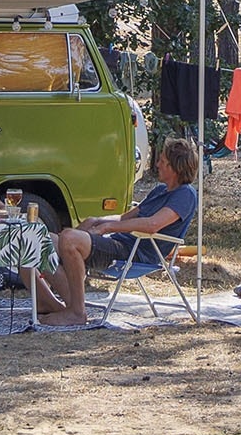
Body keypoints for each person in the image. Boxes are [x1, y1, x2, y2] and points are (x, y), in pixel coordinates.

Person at [40, 137, 200, 322]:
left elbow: (152, 225)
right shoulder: (159, 191)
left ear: (175, 168)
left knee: (69, 238)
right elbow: (125, 218)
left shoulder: (185, 195)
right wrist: (97, 220)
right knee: (46, 240)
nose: (157, 165)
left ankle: (77, 312)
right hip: (120, 244)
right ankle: (53, 304)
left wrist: (108, 227)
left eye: (162, 161)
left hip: (135, 253)